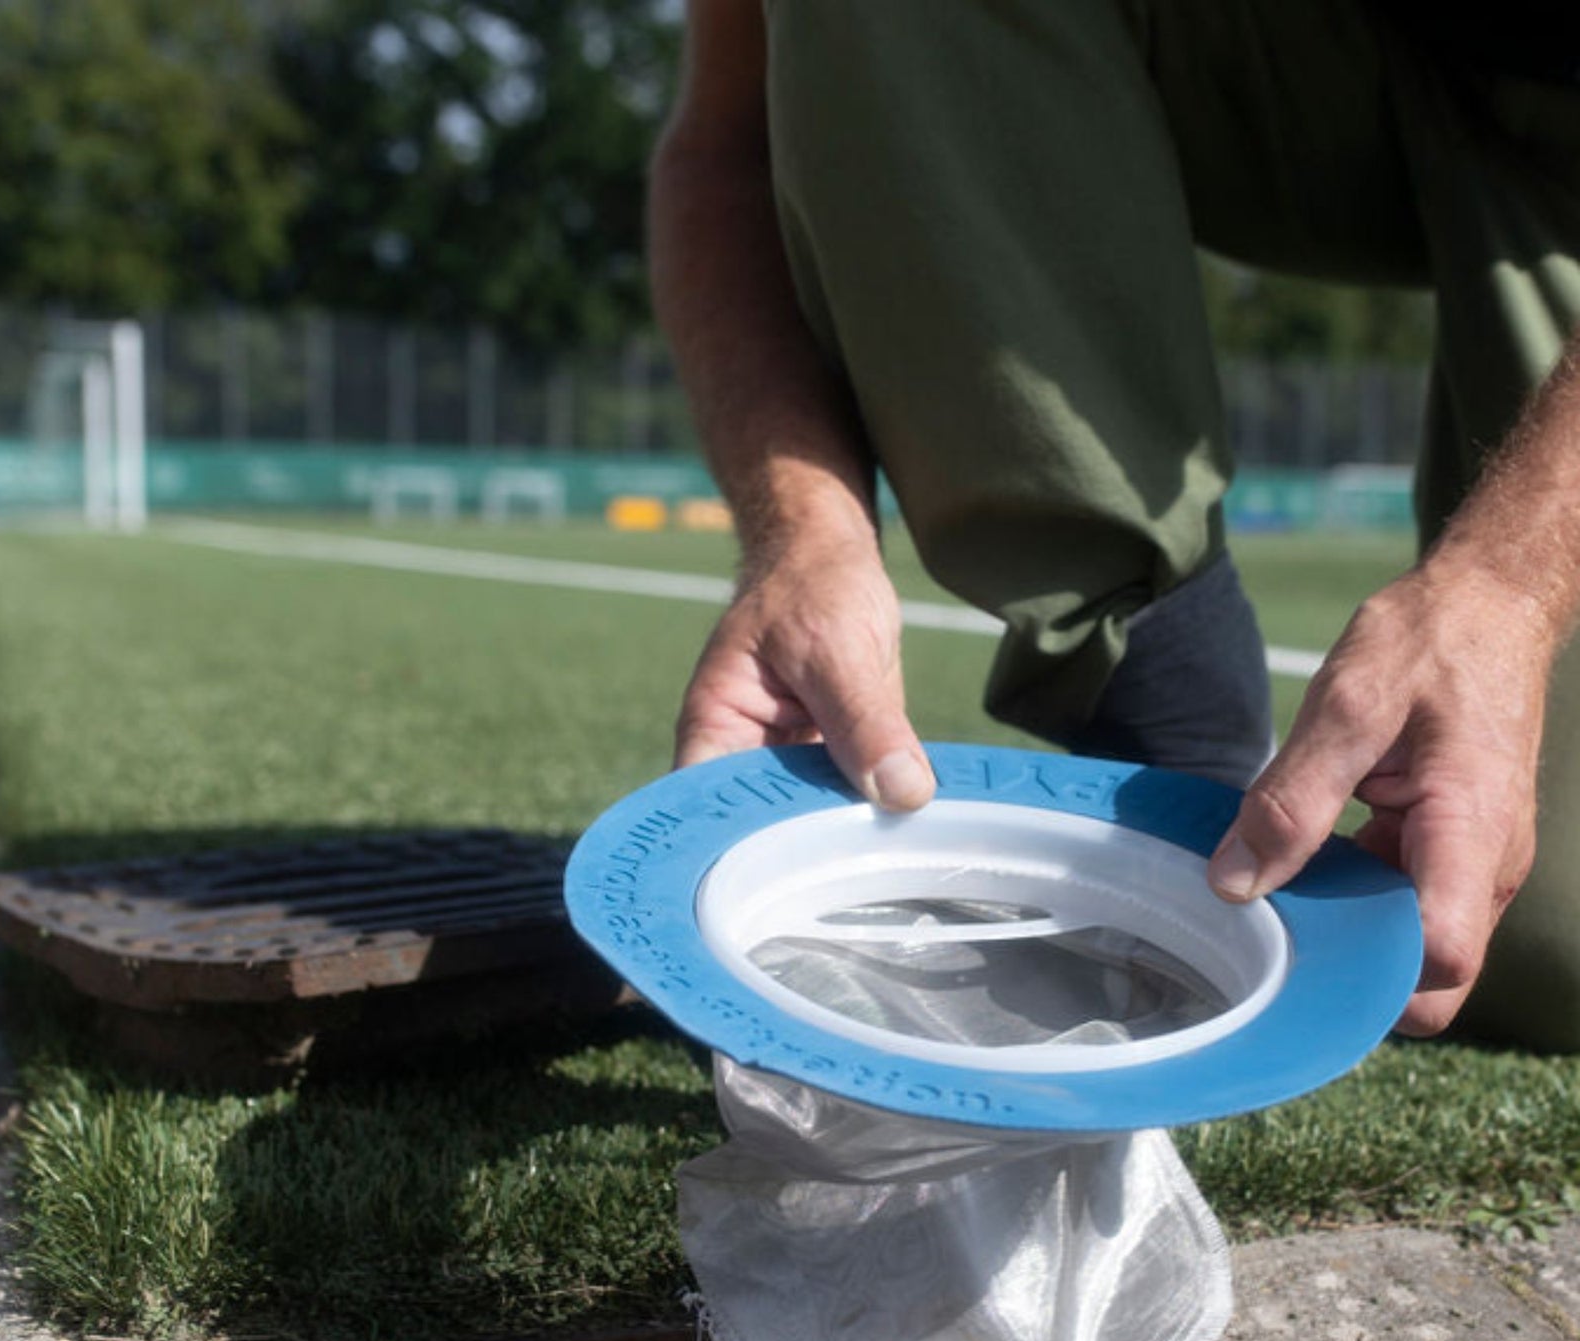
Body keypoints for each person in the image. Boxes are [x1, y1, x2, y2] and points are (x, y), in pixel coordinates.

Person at [649, 0, 1580, 1050]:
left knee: (1538, 957)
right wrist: (803, 530)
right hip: (1299, 76)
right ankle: (1168, 726)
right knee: (1437, 923)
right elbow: (729, 140)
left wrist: (1510, 582)